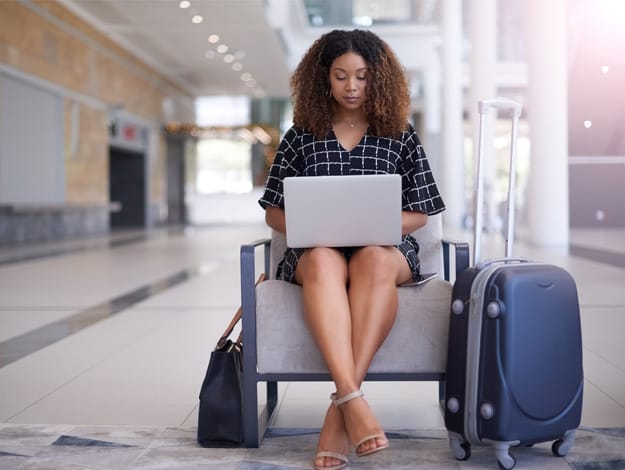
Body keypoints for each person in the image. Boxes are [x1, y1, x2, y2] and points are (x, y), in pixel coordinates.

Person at [258, 29, 445, 470]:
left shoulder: (399, 133)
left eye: (361, 76)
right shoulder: (301, 135)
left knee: (374, 257)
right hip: (317, 252)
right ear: (323, 79)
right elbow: (273, 211)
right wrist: (311, 230)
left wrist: (375, 227)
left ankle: (341, 408)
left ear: (377, 79)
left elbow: (421, 210)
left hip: (383, 251)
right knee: (322, 258)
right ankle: (353, 403)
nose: (352, 87)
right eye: (341, 76)